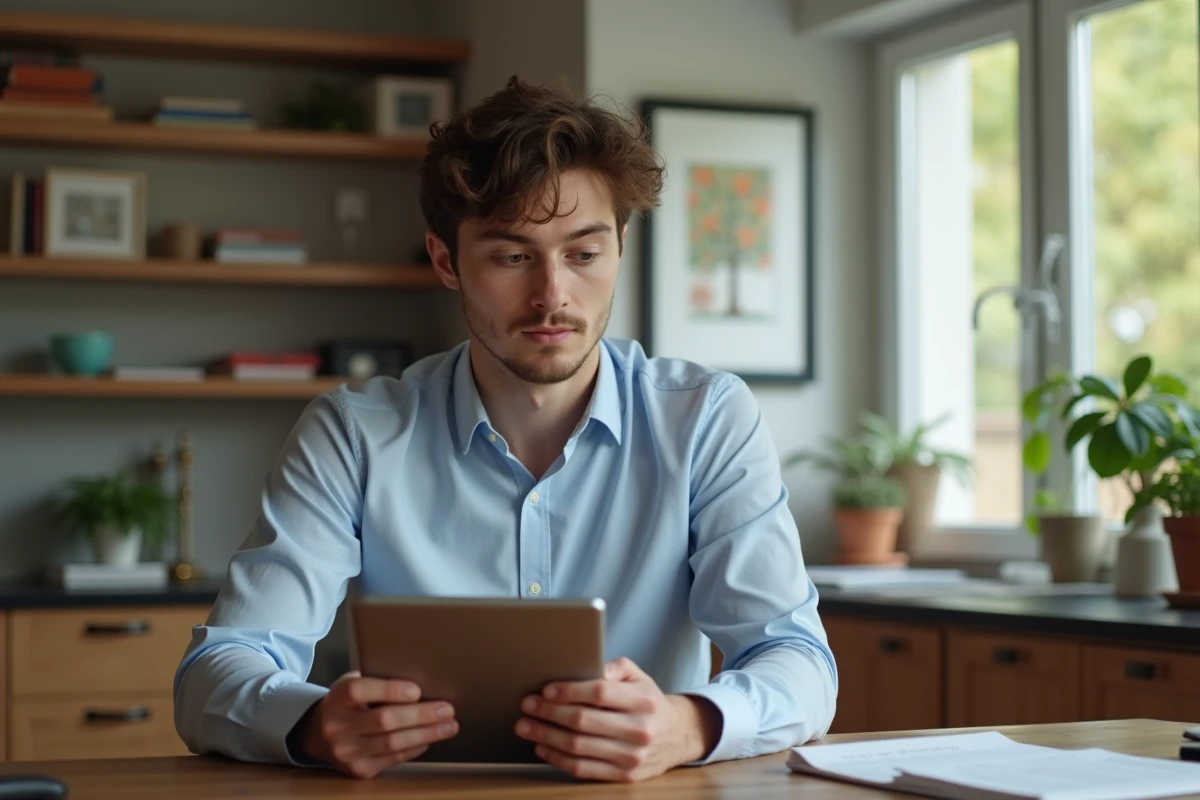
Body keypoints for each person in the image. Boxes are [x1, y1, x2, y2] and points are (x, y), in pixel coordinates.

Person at [173, 75, 836, 783]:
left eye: (583, 254)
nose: (553, 293)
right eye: (513, 256)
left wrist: (686, 724)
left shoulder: (705, 419)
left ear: (618, 249)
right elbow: (213, 675)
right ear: (444, 260)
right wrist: (309, 724)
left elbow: (799, 664)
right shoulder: (352, 435)